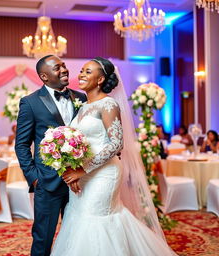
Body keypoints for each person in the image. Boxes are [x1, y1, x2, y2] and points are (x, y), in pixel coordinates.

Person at [51, 57, 176, 255]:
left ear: (100, 80)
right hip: (82, 175)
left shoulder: (108, 104)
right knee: (79, 217)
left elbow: (116, 144)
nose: (81, 74)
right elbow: (75, 144)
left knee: (97, 218)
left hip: (104, 174)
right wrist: (72, 169)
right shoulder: (82, 107)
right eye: (82, 70)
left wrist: (83, 170)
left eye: (88, 71)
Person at [15, 55, 87, 256]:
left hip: (80, 182)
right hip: (47, 183)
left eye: (64, 65)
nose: (64, 70)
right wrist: (34, 177)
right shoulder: (30, 103)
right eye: (58, 68)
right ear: (44, 76)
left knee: (76, 236)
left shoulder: (81, 98)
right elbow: (21, 145)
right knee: (43, 237)